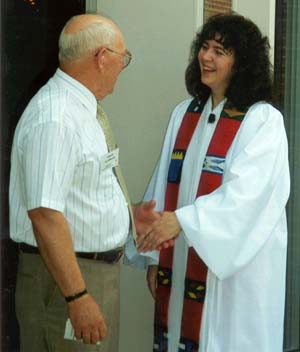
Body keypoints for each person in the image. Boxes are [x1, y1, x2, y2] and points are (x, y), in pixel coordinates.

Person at [134, 13, 290, 352]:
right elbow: (162, 187)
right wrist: (155, 258)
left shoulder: (262, 121)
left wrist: (183, 221)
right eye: (204, 47)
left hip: (233, 278)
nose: (206, 56)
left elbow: (248, 197)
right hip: (182, 263)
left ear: (241, 62)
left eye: (220, 51)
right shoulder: (184, 114)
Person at [9, 14, 157, 352]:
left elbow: (74, 194)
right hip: (66, 281)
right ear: (103, 57)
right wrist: (77, 296)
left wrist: (128, 215)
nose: (124, 66)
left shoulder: (81, 111)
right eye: (124, 57)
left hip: (86, 276)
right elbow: (45, 214)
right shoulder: (57, 117)